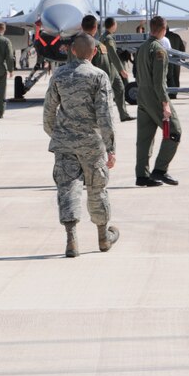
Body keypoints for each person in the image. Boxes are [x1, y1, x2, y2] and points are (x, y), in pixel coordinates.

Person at [43, 32, 119, 258]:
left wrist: (56, 134)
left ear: (72, 51)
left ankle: (71, 239)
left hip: (65, 144)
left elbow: (48, 111)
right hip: (92, 145)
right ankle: (103, 236)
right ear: (94, 52)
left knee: (67, 190)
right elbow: (105, 115)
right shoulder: (99, 76)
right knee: (97, 189)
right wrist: (111, 147)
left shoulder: (59, 75)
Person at [135, 15, 181, 187]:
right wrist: (165, 103)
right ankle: (160, 170)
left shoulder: (142, 48)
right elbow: (159, 82)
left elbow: (138, 74)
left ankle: (142, 175)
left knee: (145, 138)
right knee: (174, 132)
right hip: (155, 97)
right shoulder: (159, 50)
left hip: (142, 97)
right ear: (163, 29)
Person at [100, 17, 135, 122]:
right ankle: (103, 116)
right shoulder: (108, 38)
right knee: (105, 93)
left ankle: (124, 115)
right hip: (109, 68)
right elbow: (113, 55)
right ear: (113, 25)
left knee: (120, 89)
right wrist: (121, 70)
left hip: (112, 69)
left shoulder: (105, 36)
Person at [165, 26, 186, 98]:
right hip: (177, 60)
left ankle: (171, 93)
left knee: (169, 76)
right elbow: (182, 48)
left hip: (168, 60)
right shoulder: (177, 36)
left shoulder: (164, 38)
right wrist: (183, 59)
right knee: (176, 76)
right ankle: (175, 92)